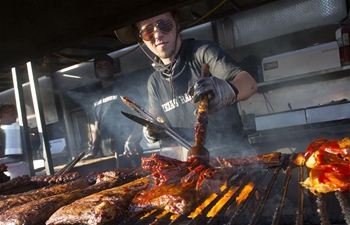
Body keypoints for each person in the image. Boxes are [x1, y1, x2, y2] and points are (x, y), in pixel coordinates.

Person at [117, 10, 258, 158]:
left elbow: (250, 84)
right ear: (141, 38)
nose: (157, 34)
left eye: (164, 24)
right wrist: (152, 132)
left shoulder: (202, 52)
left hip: (235, 157)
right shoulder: (154, 82)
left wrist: (226, 91)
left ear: (176, 21)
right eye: (147, 31)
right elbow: (158, 122)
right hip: (192, 164)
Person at [82, 54, 143, 165]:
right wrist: (93, 152)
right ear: (96, 72)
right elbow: (96, 129)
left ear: (113, 68)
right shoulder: (95, 98)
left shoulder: (125, 88)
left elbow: (141, 116)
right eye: (99, 66)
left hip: (129, 151)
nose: (103, 67)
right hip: (107, 155)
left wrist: (132, 139)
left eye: (106, 64)